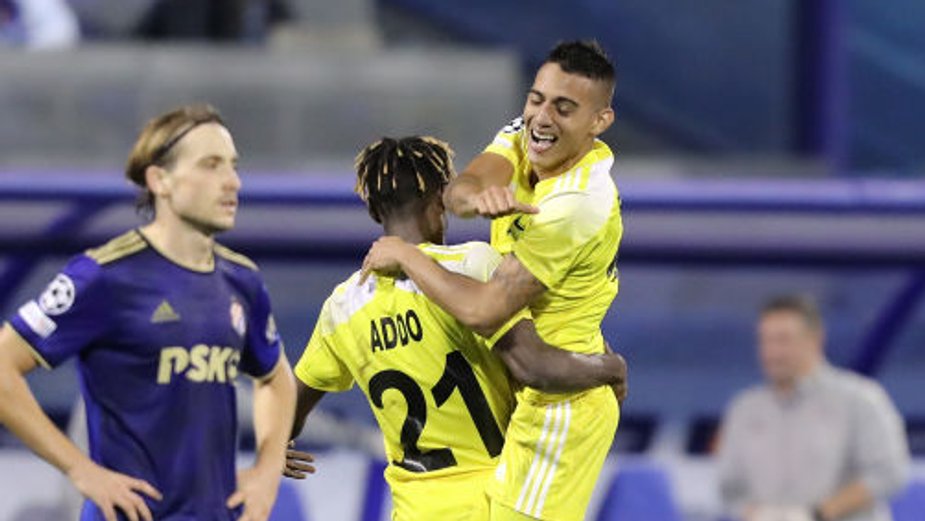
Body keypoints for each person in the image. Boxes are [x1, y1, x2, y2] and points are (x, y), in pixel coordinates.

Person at [285, 136, 627, 521]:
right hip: (492, 502)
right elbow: (535, 366)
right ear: (441, 200)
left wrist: (276, 444)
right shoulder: (474, 266)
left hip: (413, 511)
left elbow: (288, 405)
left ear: (374, 210)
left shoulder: (341, 307)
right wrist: (608, 367)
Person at [361, 40, 622, 521]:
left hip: (560, 401)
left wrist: (407, 255)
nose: (542, 117)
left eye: (564, 108)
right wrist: (477, 199)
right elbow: (460, 191)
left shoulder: (577, 204)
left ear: (598, 121)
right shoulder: (526, 132)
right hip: (522, 391)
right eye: (537, 99)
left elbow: (485, 312)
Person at [0, 104, 296, 521]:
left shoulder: (241, 280)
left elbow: (276, 379)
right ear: (160, 180)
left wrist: (267, 471)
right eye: (211, 165)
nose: (233, 181)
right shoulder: (102, 276)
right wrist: (81, 470)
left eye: (233, 166)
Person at [717, 295, 910, 521]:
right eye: (765, 340)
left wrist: (817, 514)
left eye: (783, 340)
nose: (772, 352)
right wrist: (759, 514)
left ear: (815, 340)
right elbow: (729, 489)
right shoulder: (744, 409)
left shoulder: (861, 399)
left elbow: (888, 474)